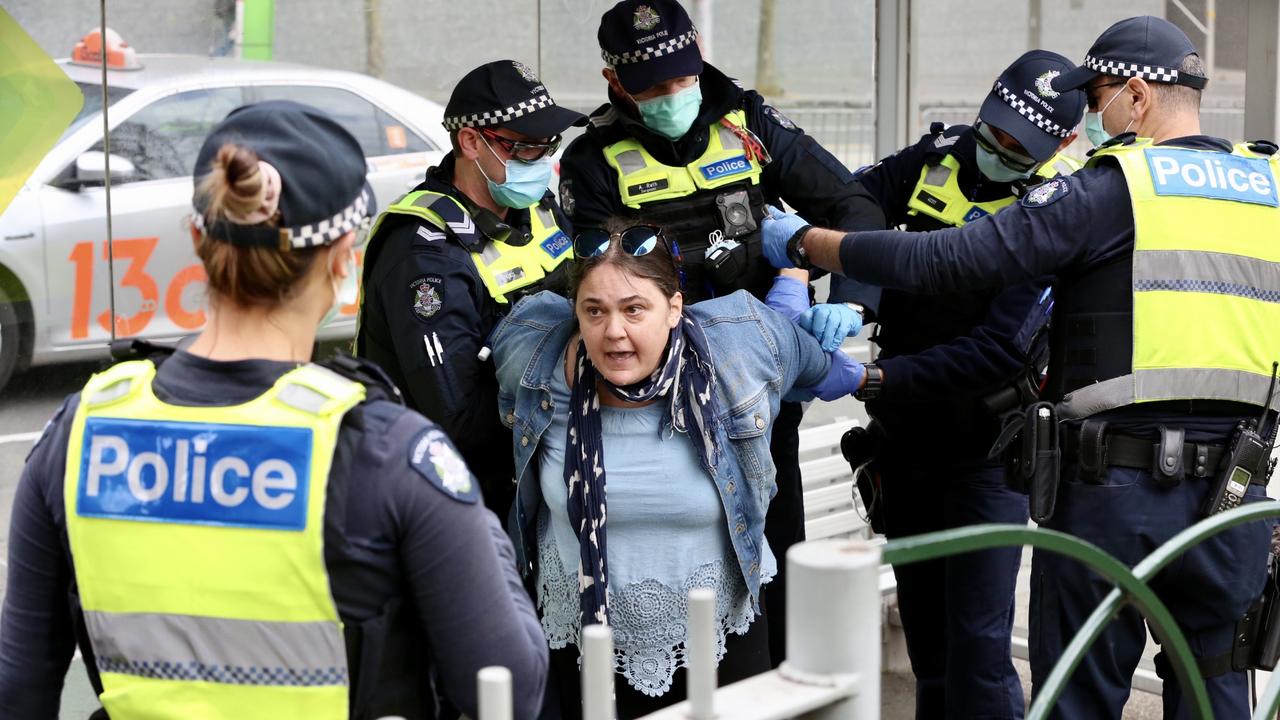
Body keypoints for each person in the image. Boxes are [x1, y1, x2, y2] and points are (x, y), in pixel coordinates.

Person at [761, 16, 1277, 719]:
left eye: (1096, 102)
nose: (1096, 119)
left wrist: (811, 244)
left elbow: (951, 260)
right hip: (1233, 492)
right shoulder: (1266, 183)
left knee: (1079, 686)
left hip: (1112, 488)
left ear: (1136, 94)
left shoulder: (1111, 189)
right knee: (1214, 680)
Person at [0, 101, 548, 720]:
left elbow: (19, 691)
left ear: (197, 242)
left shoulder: (80, 430)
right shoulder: (386, 451)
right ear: (345, 256)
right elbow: (511, 685)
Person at [556, 0, 887, 662]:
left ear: (698, 50)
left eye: (683, 77)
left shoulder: (749, 122)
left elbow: (851, 204)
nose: (673, 95)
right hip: (660, 399)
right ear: (613, 82)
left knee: (777, 537)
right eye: (652, 87)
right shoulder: (591, 161)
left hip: (763, 386)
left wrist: (850, 302)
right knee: (688, 552)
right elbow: (604, 289)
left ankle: (782, 683)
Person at [490, 219, 865, 718]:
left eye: (634, 309)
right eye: (594, 311)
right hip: (581, 642)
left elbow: (817, 365)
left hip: (721, 642)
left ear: (674, 308)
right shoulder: (534, 356)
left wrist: (806, 301)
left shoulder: (745, 342)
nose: (614, 331)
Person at [832, 50, 1084, 720]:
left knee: (978, 646)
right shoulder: (932, 158)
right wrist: (857, 303)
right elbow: (854, 206)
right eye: (994, 130)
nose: (997, 149)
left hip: (986, 453)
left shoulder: (1055, 211)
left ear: (1059, 145)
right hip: (904, 444)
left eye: (1017, 145)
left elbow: (997, 349)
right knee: (929, 646)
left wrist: (875, 376)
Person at [356, 60, 586, 519]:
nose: (539, 161)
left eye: (548, 146)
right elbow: (458, 420)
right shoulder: (425, 255)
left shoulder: (537, 208)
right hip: (446, 496)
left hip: (536, 469)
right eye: (523, 148)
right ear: (470, 142)